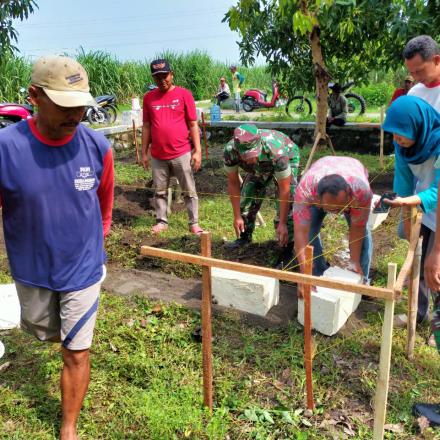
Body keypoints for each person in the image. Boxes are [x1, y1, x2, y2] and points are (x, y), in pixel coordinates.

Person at [0, 55, 114, 440]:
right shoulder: (6, 149)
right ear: (34, 95)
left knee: (77, 351)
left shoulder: (97, 147)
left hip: (82, 267)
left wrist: (94, 243)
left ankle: (68, 429)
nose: (77, 114)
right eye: (66, 106)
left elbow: (104, 205)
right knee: (45, 333)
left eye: (82, 104)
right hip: (32, 268)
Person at [382, 95, 440, 328]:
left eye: (400, 132)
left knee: (435, 265)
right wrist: (403, 209)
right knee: (421, 260)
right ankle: (421, 314)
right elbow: (403, 182)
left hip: (433, 199)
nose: (396, 138)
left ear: (417, 126)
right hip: (424, 204)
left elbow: (438, 191)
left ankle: (437, 322)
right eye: (392, 132)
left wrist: (409, 202)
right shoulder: (402, 146)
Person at [293, 156, 373, 294]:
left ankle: (361, 279)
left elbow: (357, 227)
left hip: (353, 167)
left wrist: (354, 260)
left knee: (364, 237)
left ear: (349, 194)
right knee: (310, 232)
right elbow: (300, 233)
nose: (338, 213)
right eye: (333, 210)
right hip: (320, 169)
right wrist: (304, 273)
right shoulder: (305, 191)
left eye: (342, 208)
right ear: (317, 200)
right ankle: (316, 275)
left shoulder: (361, 191)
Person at [223, 124, 300, 267]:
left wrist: (282, 223)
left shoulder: (277, 153)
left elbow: (284, 190)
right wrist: (237, 216)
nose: (249, 160)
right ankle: (245, 237)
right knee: (248, 197)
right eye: (245, 156)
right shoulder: (230, 151)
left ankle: (287, 249)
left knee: (288, 205)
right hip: (261, 167)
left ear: (259, 146)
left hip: (288, 155)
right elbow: (233, 183)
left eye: (253, 155)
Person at [141, 58, 203, 235]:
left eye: (165, 76)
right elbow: (146, 126)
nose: (162, 80)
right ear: (153, 78)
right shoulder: (149, 98)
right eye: (157, 77)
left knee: (189, 190)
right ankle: (161, 221)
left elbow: (192, 124)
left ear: (171, 74)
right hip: (158, 156)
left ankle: (194, 223)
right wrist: (144, 153)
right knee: (160, 191)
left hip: (181, 152)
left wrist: (197, 151)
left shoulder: (184, 94)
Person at [404, 35, 440, 108]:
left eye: (419, 71)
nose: (416, 78)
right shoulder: (413, 94)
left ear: (436, 60)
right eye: (412, 72)